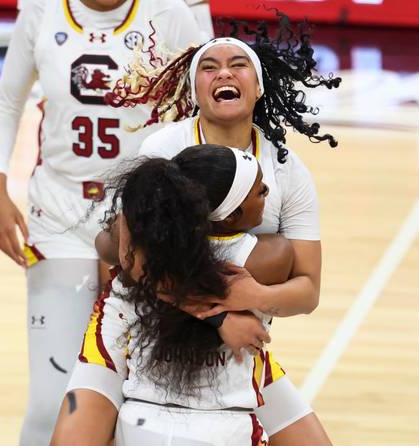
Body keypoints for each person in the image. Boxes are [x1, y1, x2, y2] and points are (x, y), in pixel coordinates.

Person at [105, 15, 340, 445]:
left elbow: (308, 290)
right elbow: (125, 256)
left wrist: (258, 296)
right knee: (69, 433)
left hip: (233, 343)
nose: (224, 73)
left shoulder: (287, 170)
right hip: (139, 326)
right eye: (209, 67)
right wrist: (214, 314)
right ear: (195, 91)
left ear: (259, 86)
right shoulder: (163, 148)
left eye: (238, 64)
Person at [0, 0, 206, 444]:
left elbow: (196, 118)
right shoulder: (41, 10)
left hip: (142, 225)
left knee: (134, 405)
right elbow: (7, 102)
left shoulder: (171, 13)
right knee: (53, 402)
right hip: (59, 218)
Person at [52, 144, 294, 445]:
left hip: (181, 349)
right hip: (127, 326)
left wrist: (134, 232)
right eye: (260, 190)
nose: (269, 192)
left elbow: (109, 248)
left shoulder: (151, 236)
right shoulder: (269, 253)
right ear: (230, 216)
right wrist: (218, 317)